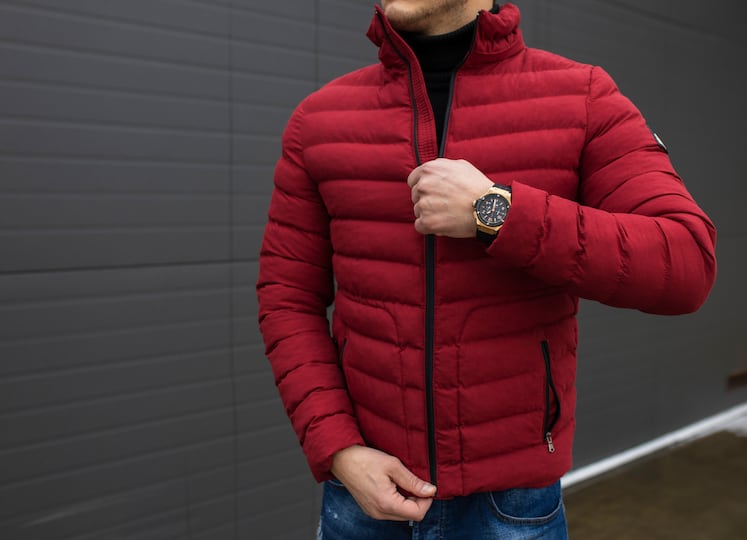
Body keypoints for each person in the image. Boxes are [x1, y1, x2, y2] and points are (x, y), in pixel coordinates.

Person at [256, 0, 717, 538]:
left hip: (512, 509)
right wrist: (337, 448)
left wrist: (494, 210)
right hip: (362, 501)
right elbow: (286, 298)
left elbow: (685, 263)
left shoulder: (581, 96)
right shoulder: (320, 120)